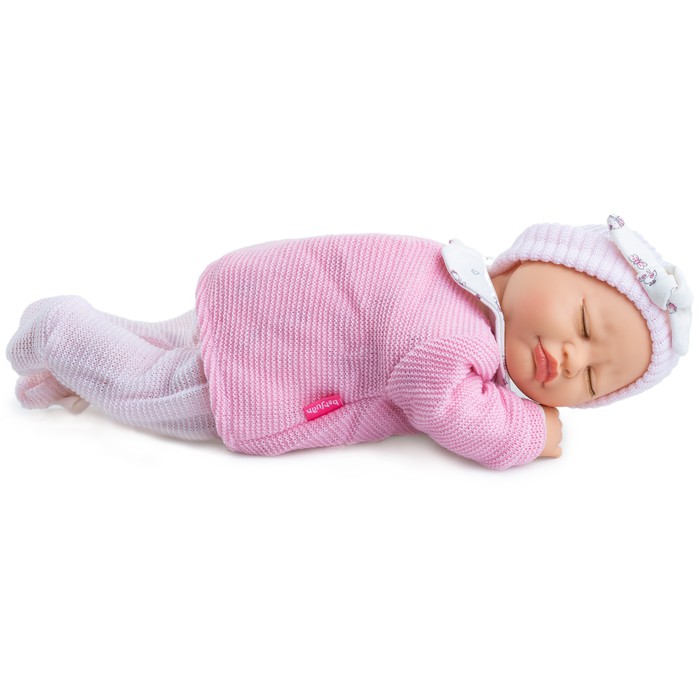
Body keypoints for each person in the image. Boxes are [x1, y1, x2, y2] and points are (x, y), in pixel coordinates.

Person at [5, 215, 692, 469]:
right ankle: (58, 331)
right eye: (583, 324)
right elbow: (439, 397)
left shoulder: (453, 267)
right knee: (150, 391)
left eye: (593, 381)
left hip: (256, 305)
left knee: (156, 347)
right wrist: (528, 433)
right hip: (267, 365)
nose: (571, 358)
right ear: (535, 258)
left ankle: (68, 372)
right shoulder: (464, 332)